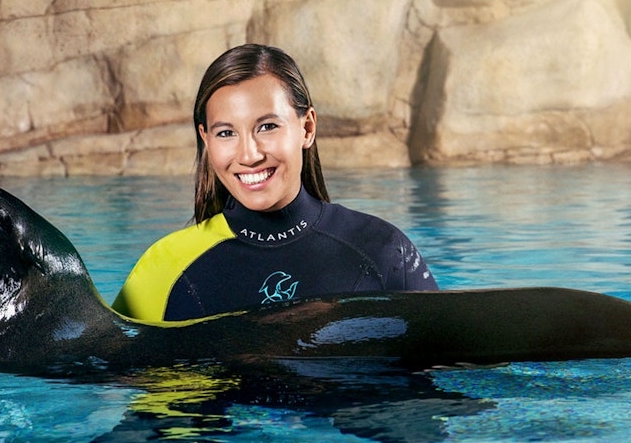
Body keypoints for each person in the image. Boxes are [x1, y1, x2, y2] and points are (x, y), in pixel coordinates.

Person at [111, 43, 438, 322]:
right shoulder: (165, 267)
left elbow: (445, 375)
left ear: (307, 128)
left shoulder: (382, 251)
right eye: (226, 133)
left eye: (267, 127)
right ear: (206, 140)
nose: (249, 154)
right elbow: (100, 377)